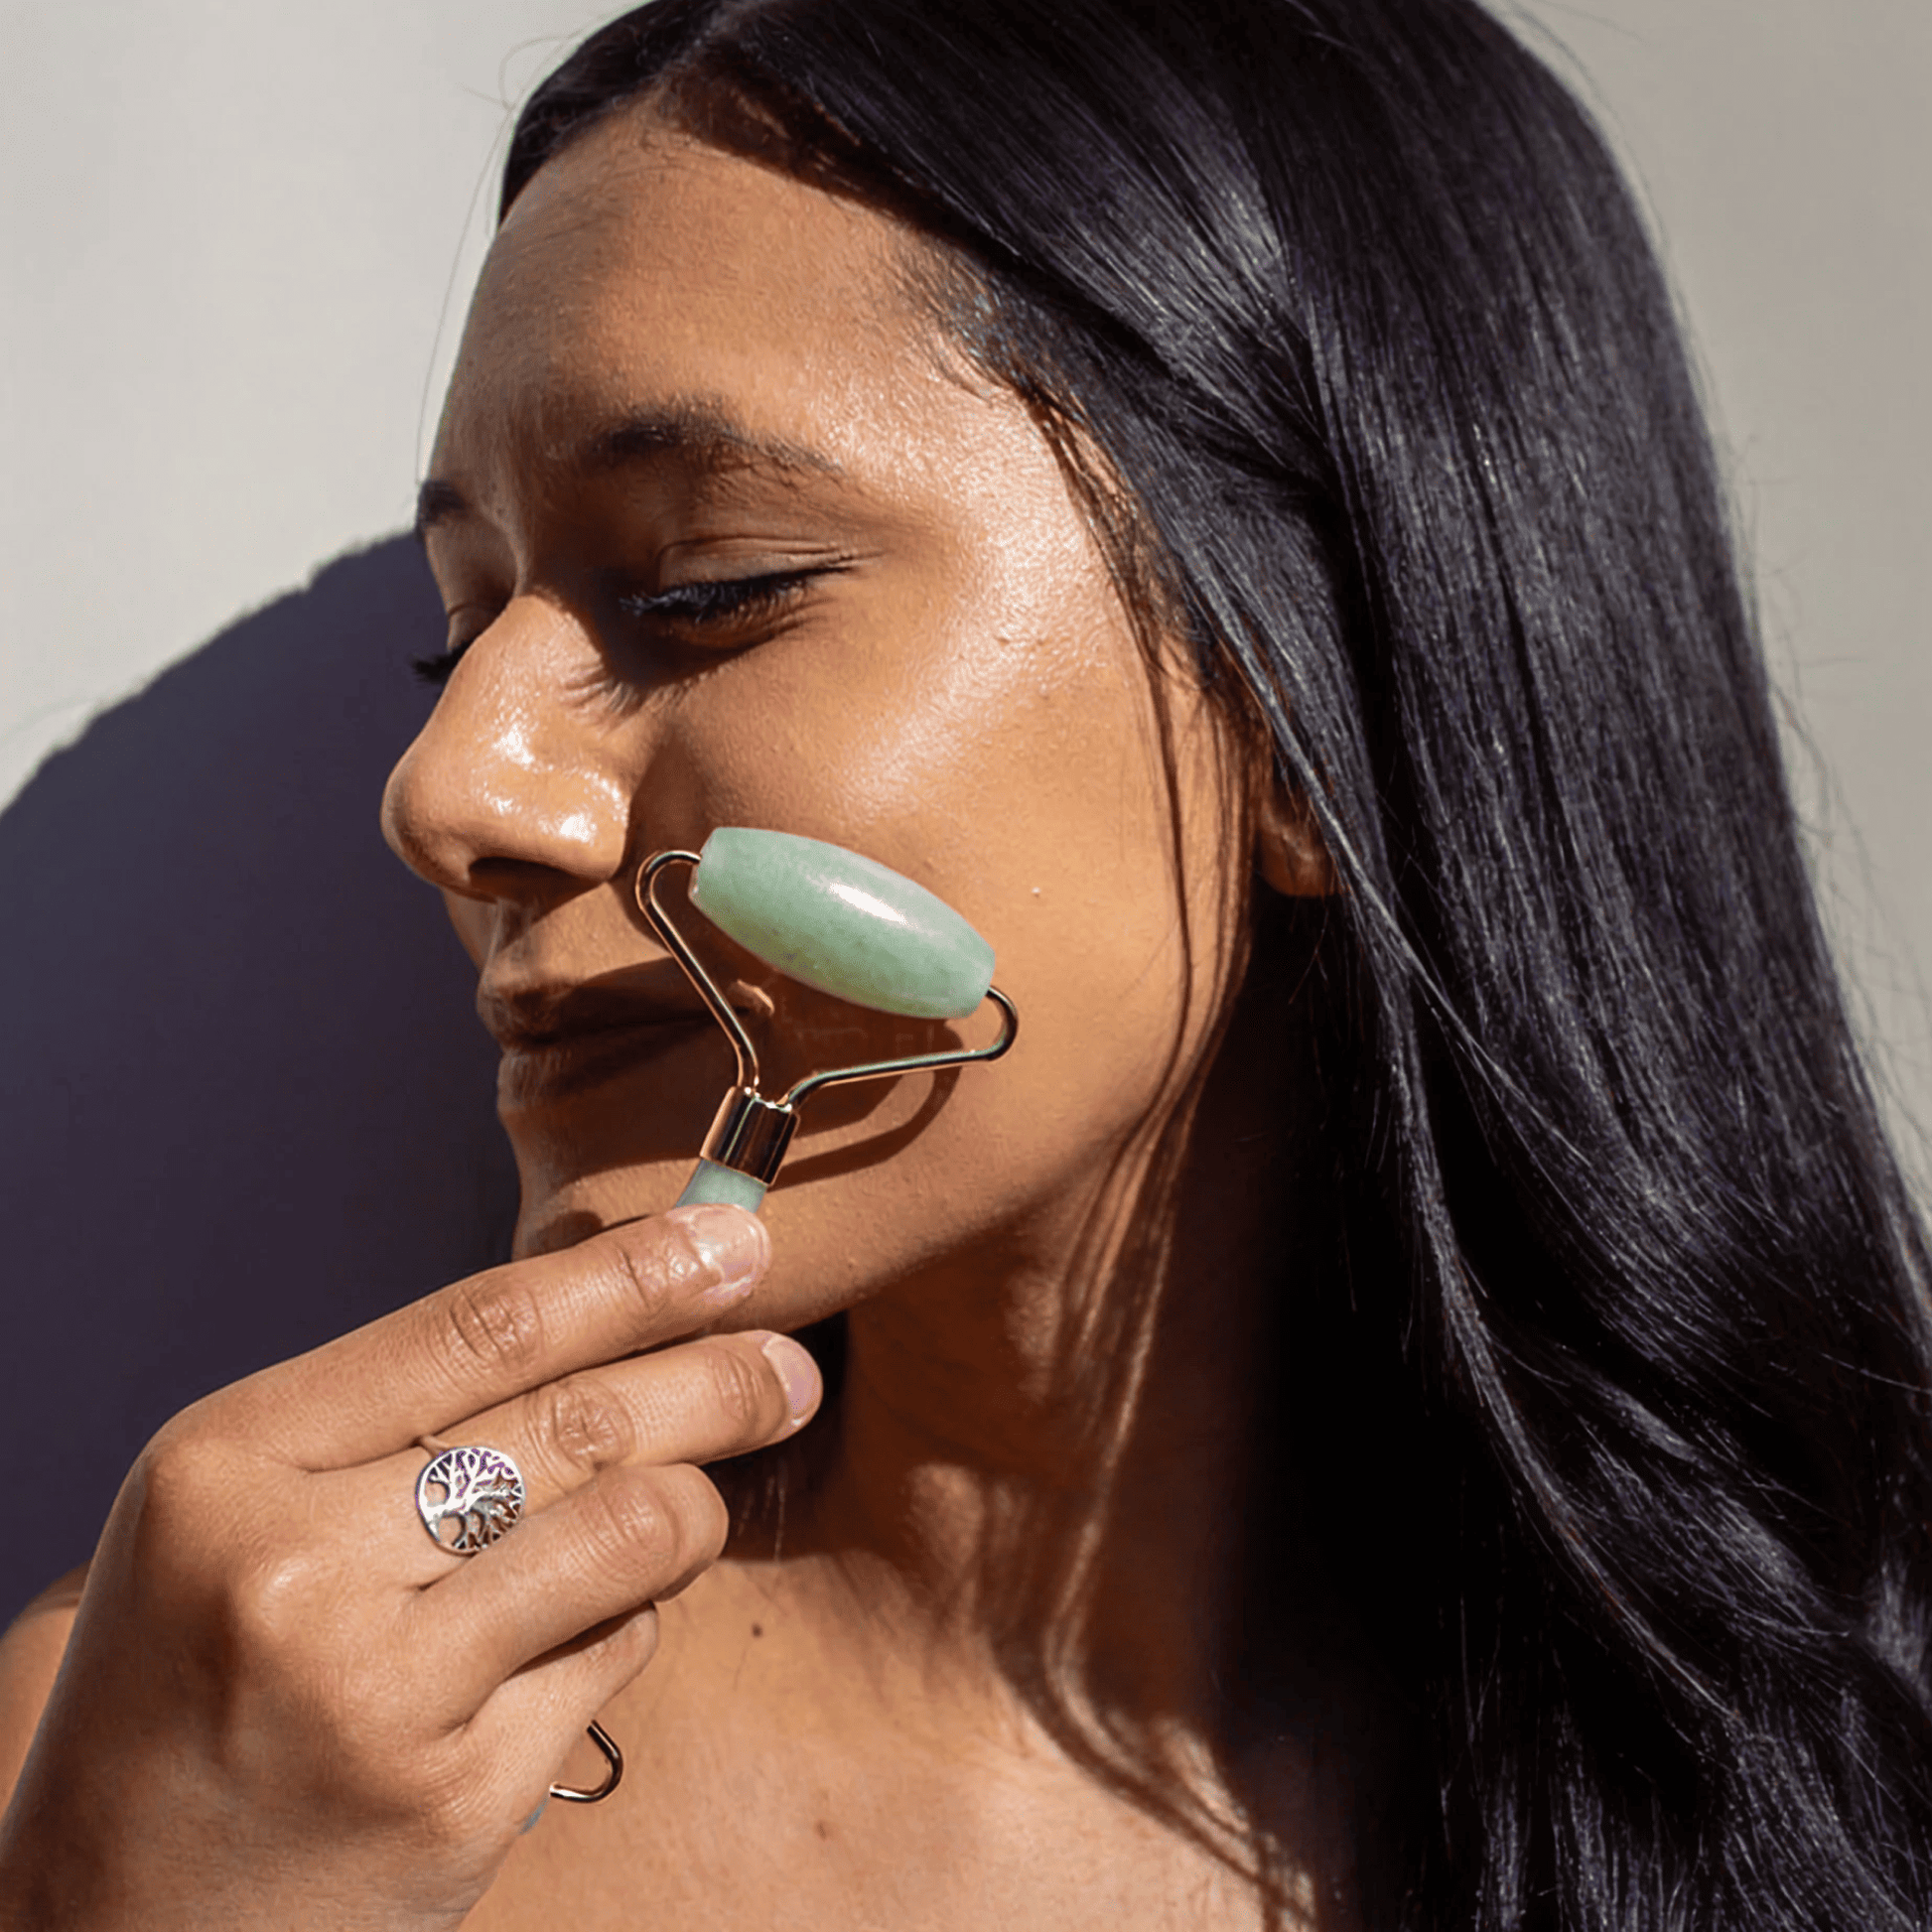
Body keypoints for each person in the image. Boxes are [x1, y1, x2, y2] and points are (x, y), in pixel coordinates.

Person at [4, 0, 1931, 1925]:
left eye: (699, 589)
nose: (446, 791)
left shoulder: (1842, 1782)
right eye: (458, 633)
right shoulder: (185, 1769)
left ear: (1300, 721)